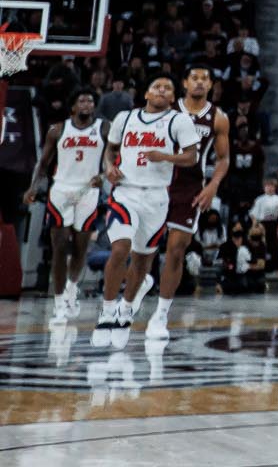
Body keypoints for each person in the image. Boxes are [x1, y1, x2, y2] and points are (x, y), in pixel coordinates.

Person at [91, 77, 203, 348]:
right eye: (157, 86)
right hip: (126, 192)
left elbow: (192, 157)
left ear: (173, 96)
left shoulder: (179, 121)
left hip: (156, 196)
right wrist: (109, 167)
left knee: (142, 262)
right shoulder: (124, 118)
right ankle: (106, 312)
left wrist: (166, 157)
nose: (162, 90)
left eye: (168, 87)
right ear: (146, 93)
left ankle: (126, 310)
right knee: (120, 248)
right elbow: (111, 150)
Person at [147, 66, 228, 342]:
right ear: (184, 83)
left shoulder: (219, 117)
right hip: (157, 182)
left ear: (211, 84)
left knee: (177, 249)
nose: (200, 82)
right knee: (142, 246)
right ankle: (137, 286)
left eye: (205, 78)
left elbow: (223, 159)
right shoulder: (167, 109)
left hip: (191, 187)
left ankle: (161, 314)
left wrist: (212, 186)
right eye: (194, 77)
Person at [28, 88, 105, 323]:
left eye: (90, 100)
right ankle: (59, 302)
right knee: (59, 246)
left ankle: (72, 290)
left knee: (81, 248)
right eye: (81, 100)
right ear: (72, 106)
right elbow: (43, 163)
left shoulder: (104, 128)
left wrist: (104, 173)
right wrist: (33, 187)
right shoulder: (57, 129)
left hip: (88, 192)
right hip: (61, 190)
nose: (86, 104)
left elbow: (114, 157)